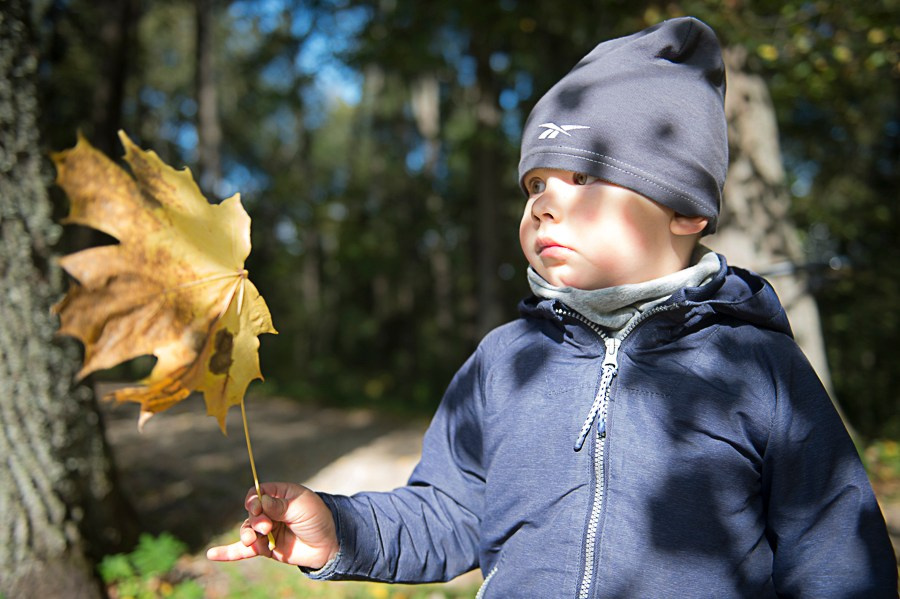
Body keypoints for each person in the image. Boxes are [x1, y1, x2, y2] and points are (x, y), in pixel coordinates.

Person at [208, 17, 898, 597]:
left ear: (686, 209)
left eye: (585, 176)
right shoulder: (506, 360)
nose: (544, 201)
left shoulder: (756, 367)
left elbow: (835, 551)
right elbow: (450, 509)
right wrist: (339, 527)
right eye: (536, 181)